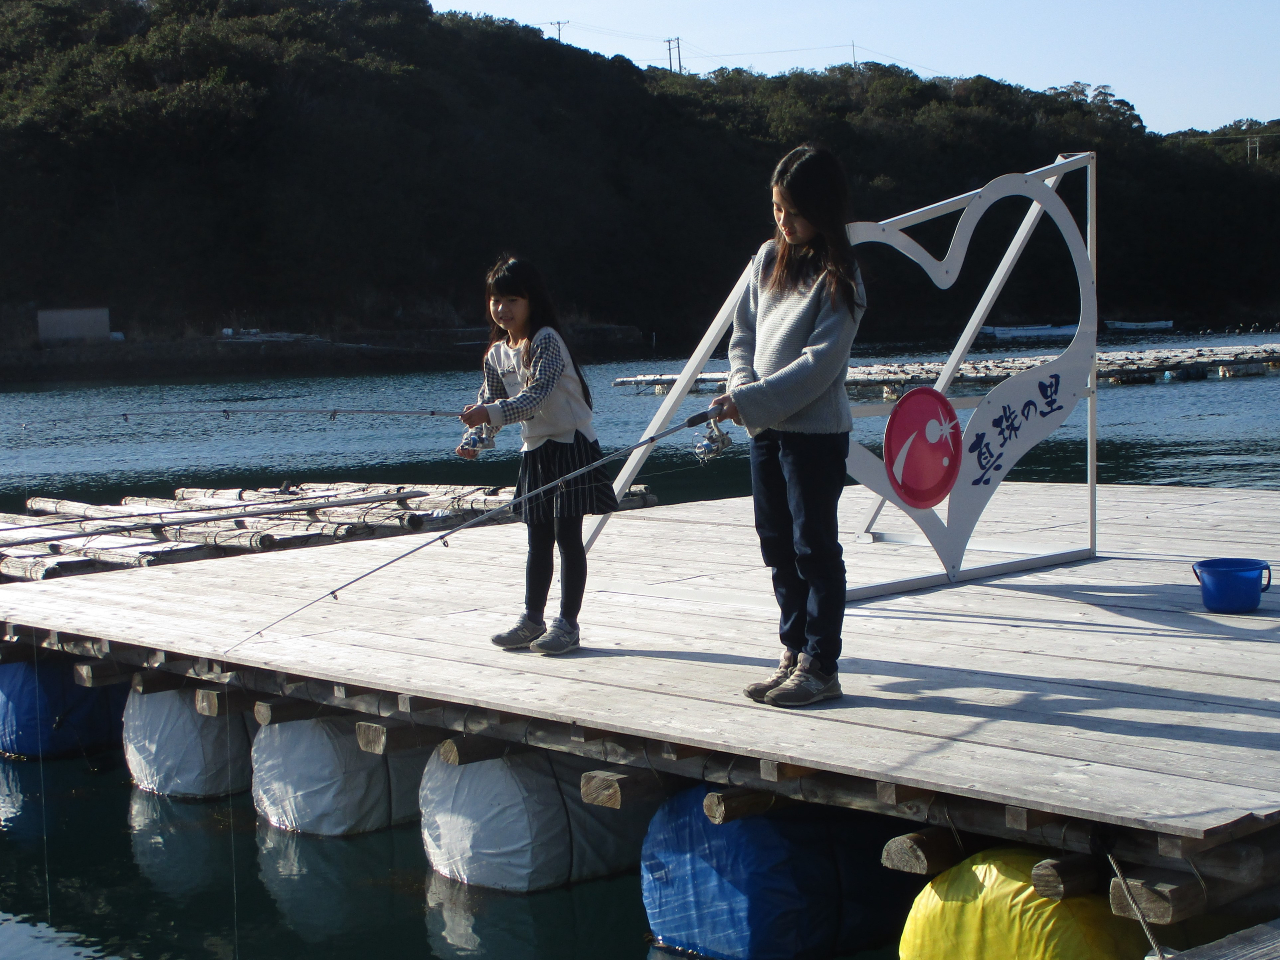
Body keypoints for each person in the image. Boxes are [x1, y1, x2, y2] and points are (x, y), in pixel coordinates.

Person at [712, 143, 865, 708]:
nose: (784, 221)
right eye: (778, 209)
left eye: (795, 212)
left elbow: (818, 367)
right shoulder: (765, 258)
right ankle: (793, 649)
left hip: (815, 435)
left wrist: (752, 401)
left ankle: (821, 664)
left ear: (824, 211)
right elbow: (742, 336)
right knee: (776, 543)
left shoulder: (840, 277)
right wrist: (740, 389)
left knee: (813, 546)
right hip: (765, 429)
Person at [457, 255, 619, 655]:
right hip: (536, 449)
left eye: (512, 299)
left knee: (568, 536)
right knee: (537, 539)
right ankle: (532, 620)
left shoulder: (546, 339)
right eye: (496, 300)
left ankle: (568, 625)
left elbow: (535, 397)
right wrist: (476, 440)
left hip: (571, 444)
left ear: (532, 301)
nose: (503, 309)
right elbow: (490, 404)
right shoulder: (495, 354)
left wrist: (489, 413)